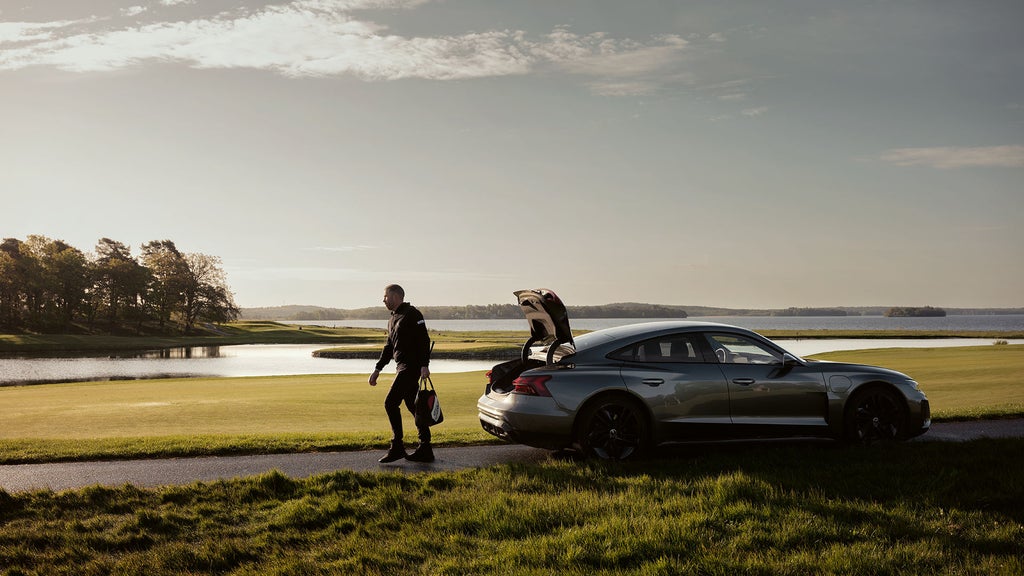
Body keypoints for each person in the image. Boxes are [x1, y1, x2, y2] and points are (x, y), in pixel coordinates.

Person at [368, 284, 434, 463]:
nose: (383, 300)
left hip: (411, 367)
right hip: (401, 367)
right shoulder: (392, 319)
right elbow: (389, 347)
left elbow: (424, 340)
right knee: (414, 407)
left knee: (390, 403)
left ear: (396, 296)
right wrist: (377, 369)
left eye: (385, 296)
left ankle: (397, 446)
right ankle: (425, 448)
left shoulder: (412, 314)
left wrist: (424, 365)